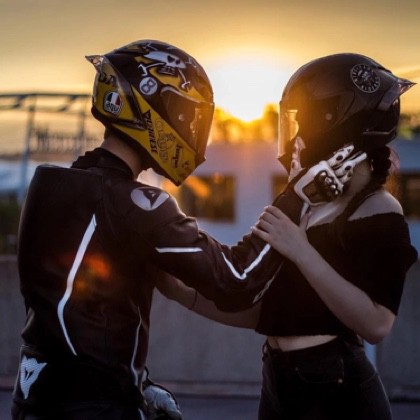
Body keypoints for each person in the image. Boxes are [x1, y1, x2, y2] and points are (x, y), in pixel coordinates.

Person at [11, 40, 345, 420]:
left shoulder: (48, 185)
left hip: (35, 399)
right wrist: (298, 196)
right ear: (151, 108)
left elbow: (77, 309)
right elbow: (236, 281)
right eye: (186, 115)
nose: (190, 129)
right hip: (95, 408)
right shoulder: (135, 204)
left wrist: (138, 383)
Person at [157, 53, 418, 419]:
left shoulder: (380, 208)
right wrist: (183, 294)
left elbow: (377, 323)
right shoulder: (312, 204)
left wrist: (300, 249)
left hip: (335, 389)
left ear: (341, 122)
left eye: (306, 121)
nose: (297, 137)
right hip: (280, 379)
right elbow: (272, 311)